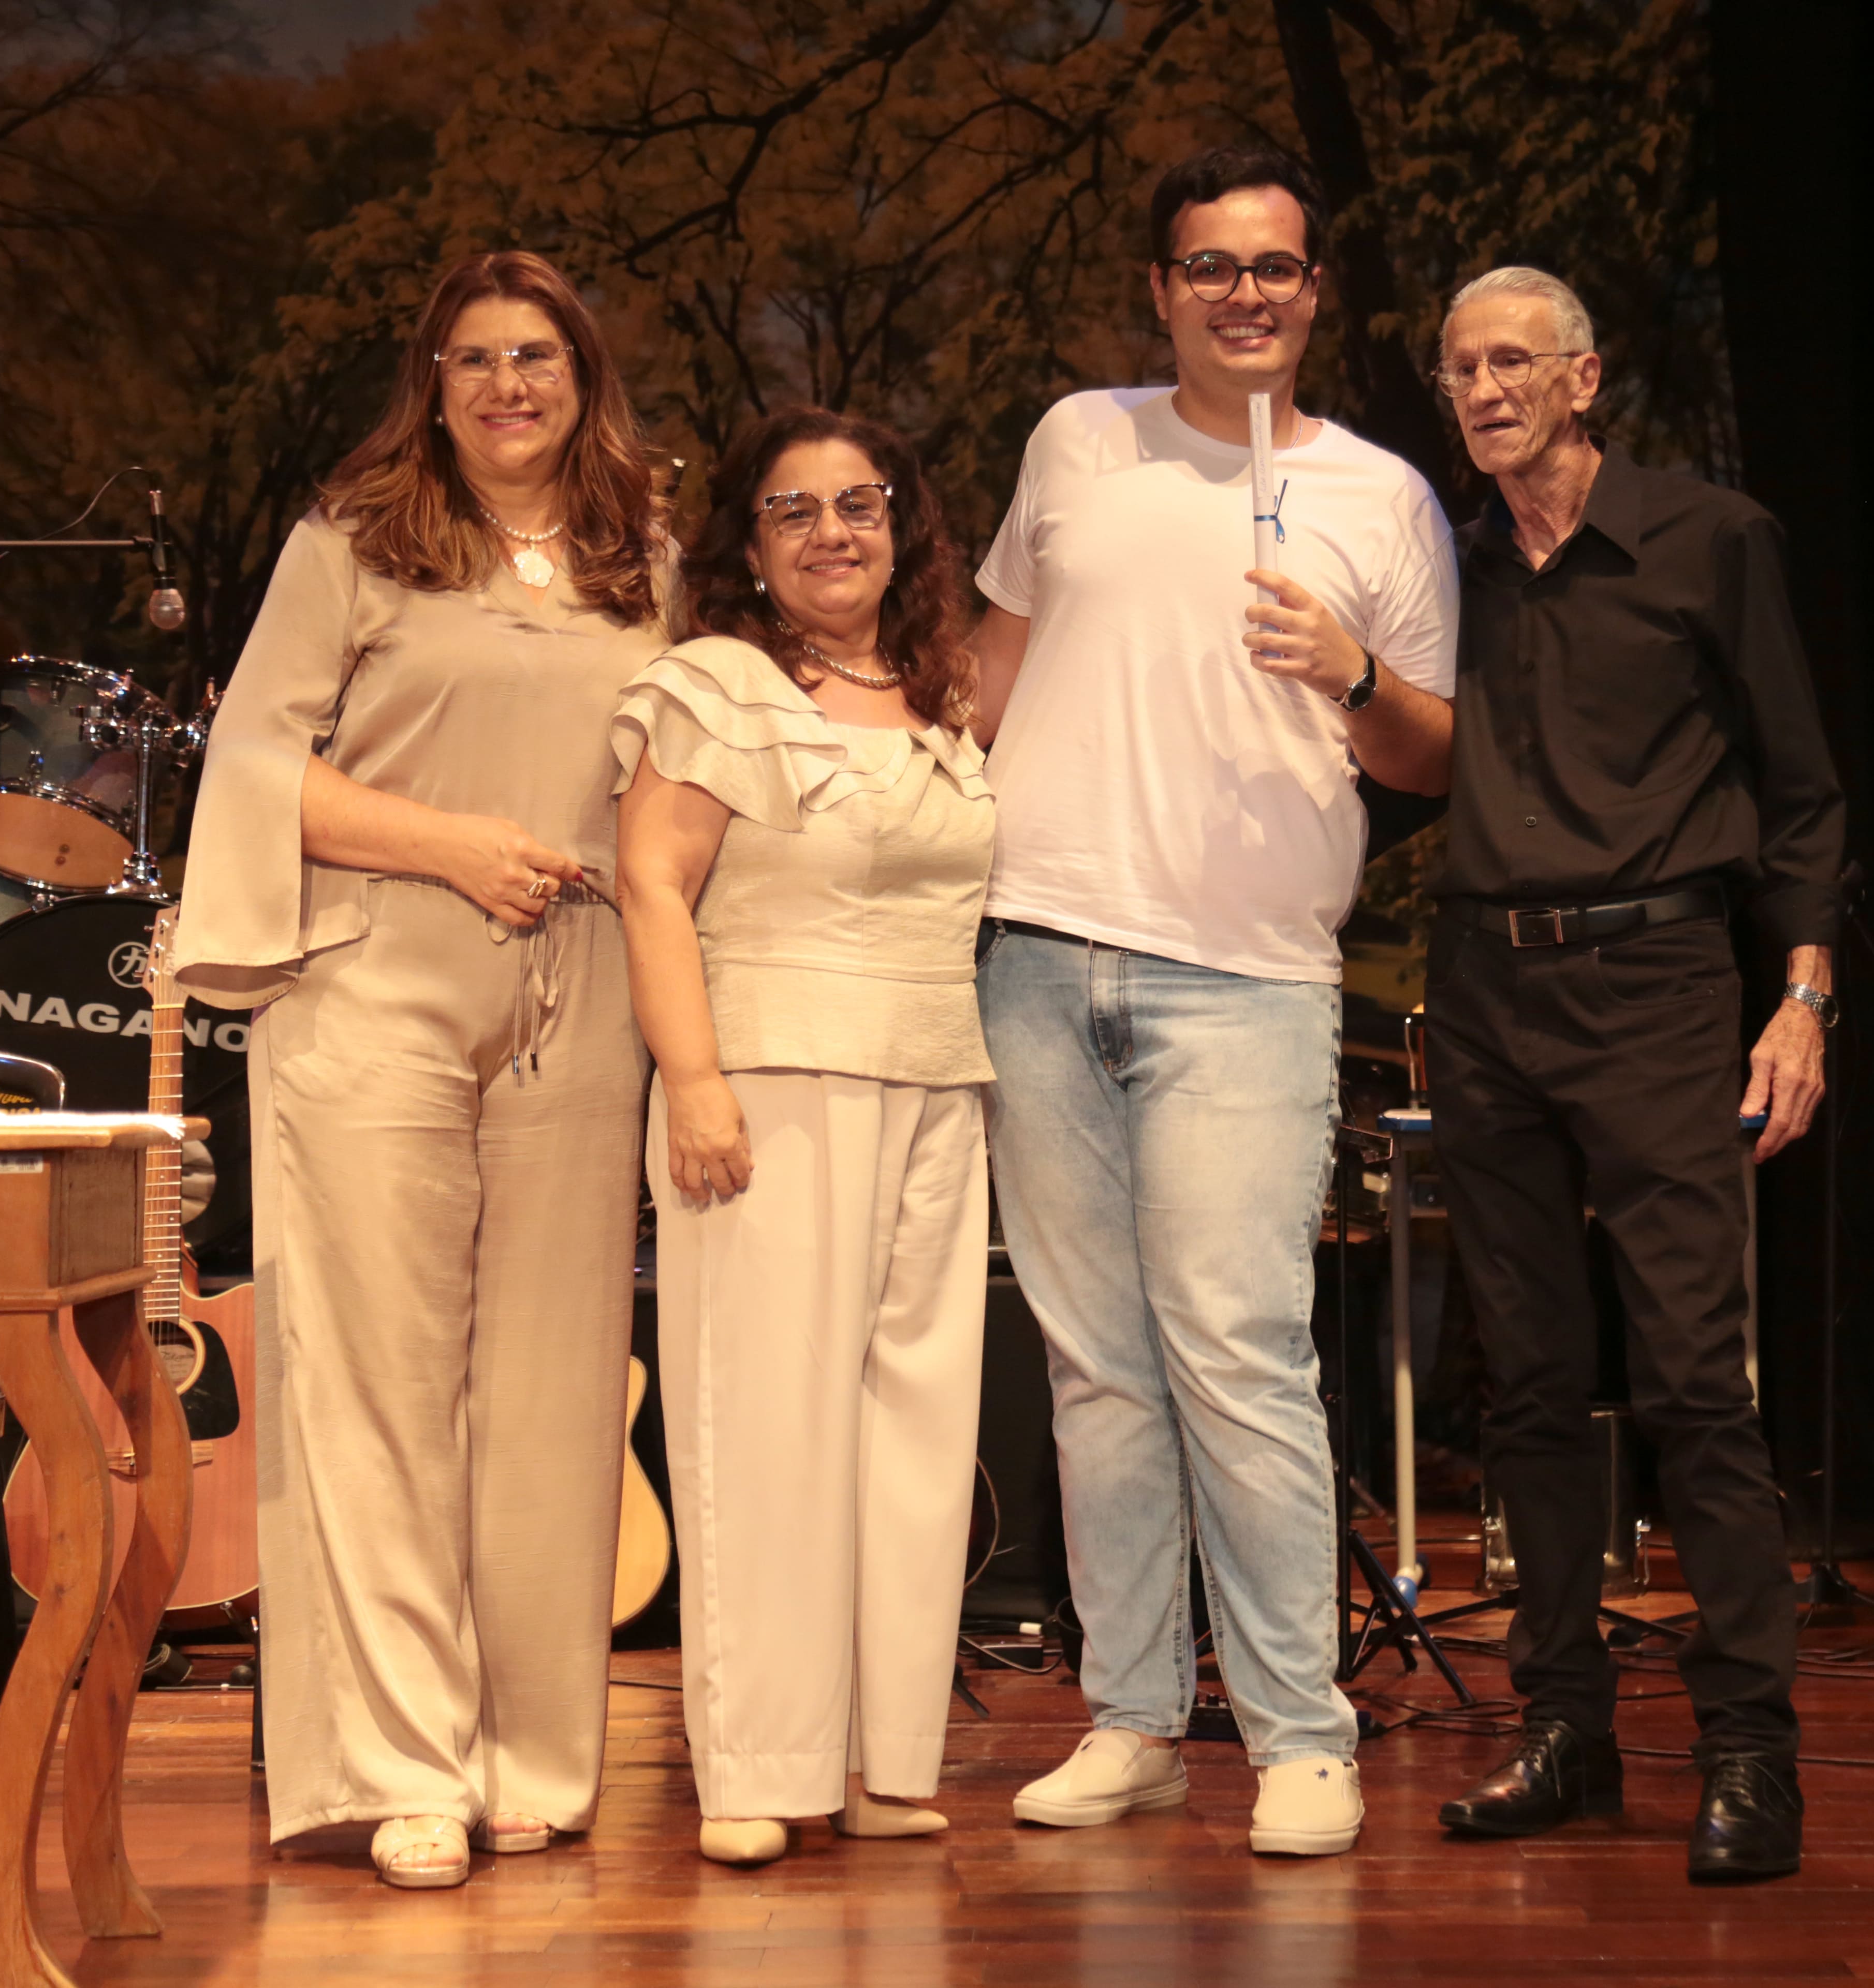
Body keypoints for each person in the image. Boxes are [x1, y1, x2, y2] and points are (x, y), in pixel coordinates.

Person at [970, 144, 1459, 1858]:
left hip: (1245, 975)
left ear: (1314, 292)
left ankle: (1300, 1733)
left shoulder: (1381, 497)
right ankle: (1132, 1720)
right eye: (1209, 266)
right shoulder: (1076, 442)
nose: (1243, 292)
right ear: (1162, 288)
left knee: (1240, 1355)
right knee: (1097, 1367)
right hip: (1038, 951)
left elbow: (1432, 752)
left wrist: (1354, 670)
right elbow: (989, 677)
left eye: (1273, 266)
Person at [174, 250, 670, 1889]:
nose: (508, 385)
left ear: (584, 377)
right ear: (433, 385)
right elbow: (255, 763)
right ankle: (404, 1768)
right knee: (379, 1386)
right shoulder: (355, 542)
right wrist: (449, 844)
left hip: (583, 991)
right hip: (373, 978)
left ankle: (530, 1754)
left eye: (537, 356)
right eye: (475, 359)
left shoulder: (647, 559)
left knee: (553, 1387)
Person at [1422, 267, 1846, 1881]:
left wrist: (1800, 1000)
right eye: (1460, 368)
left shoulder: (1708, 539)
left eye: (1512, 360)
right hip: (1486, 989)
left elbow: (1802, 793)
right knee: (1527, 1385)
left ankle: (1749, 1750)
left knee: (1693, 1383)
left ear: (1586, 378)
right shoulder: (1447, 569)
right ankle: (1566, 1731)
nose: (1484, 389)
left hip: (1662, 981)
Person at [614, 407, 994, 1869]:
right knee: (764, 1424)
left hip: (935, 1081)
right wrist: (693, 1077)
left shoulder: (938, 696)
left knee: (914, 1433)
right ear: (751, 547)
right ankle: (759, 1770)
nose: (834, 532)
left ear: (901, 526)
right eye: (795, 511)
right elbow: (653, 883)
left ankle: (882, 1759)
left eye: (860, 504)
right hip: (770, 1081)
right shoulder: (719, 685)